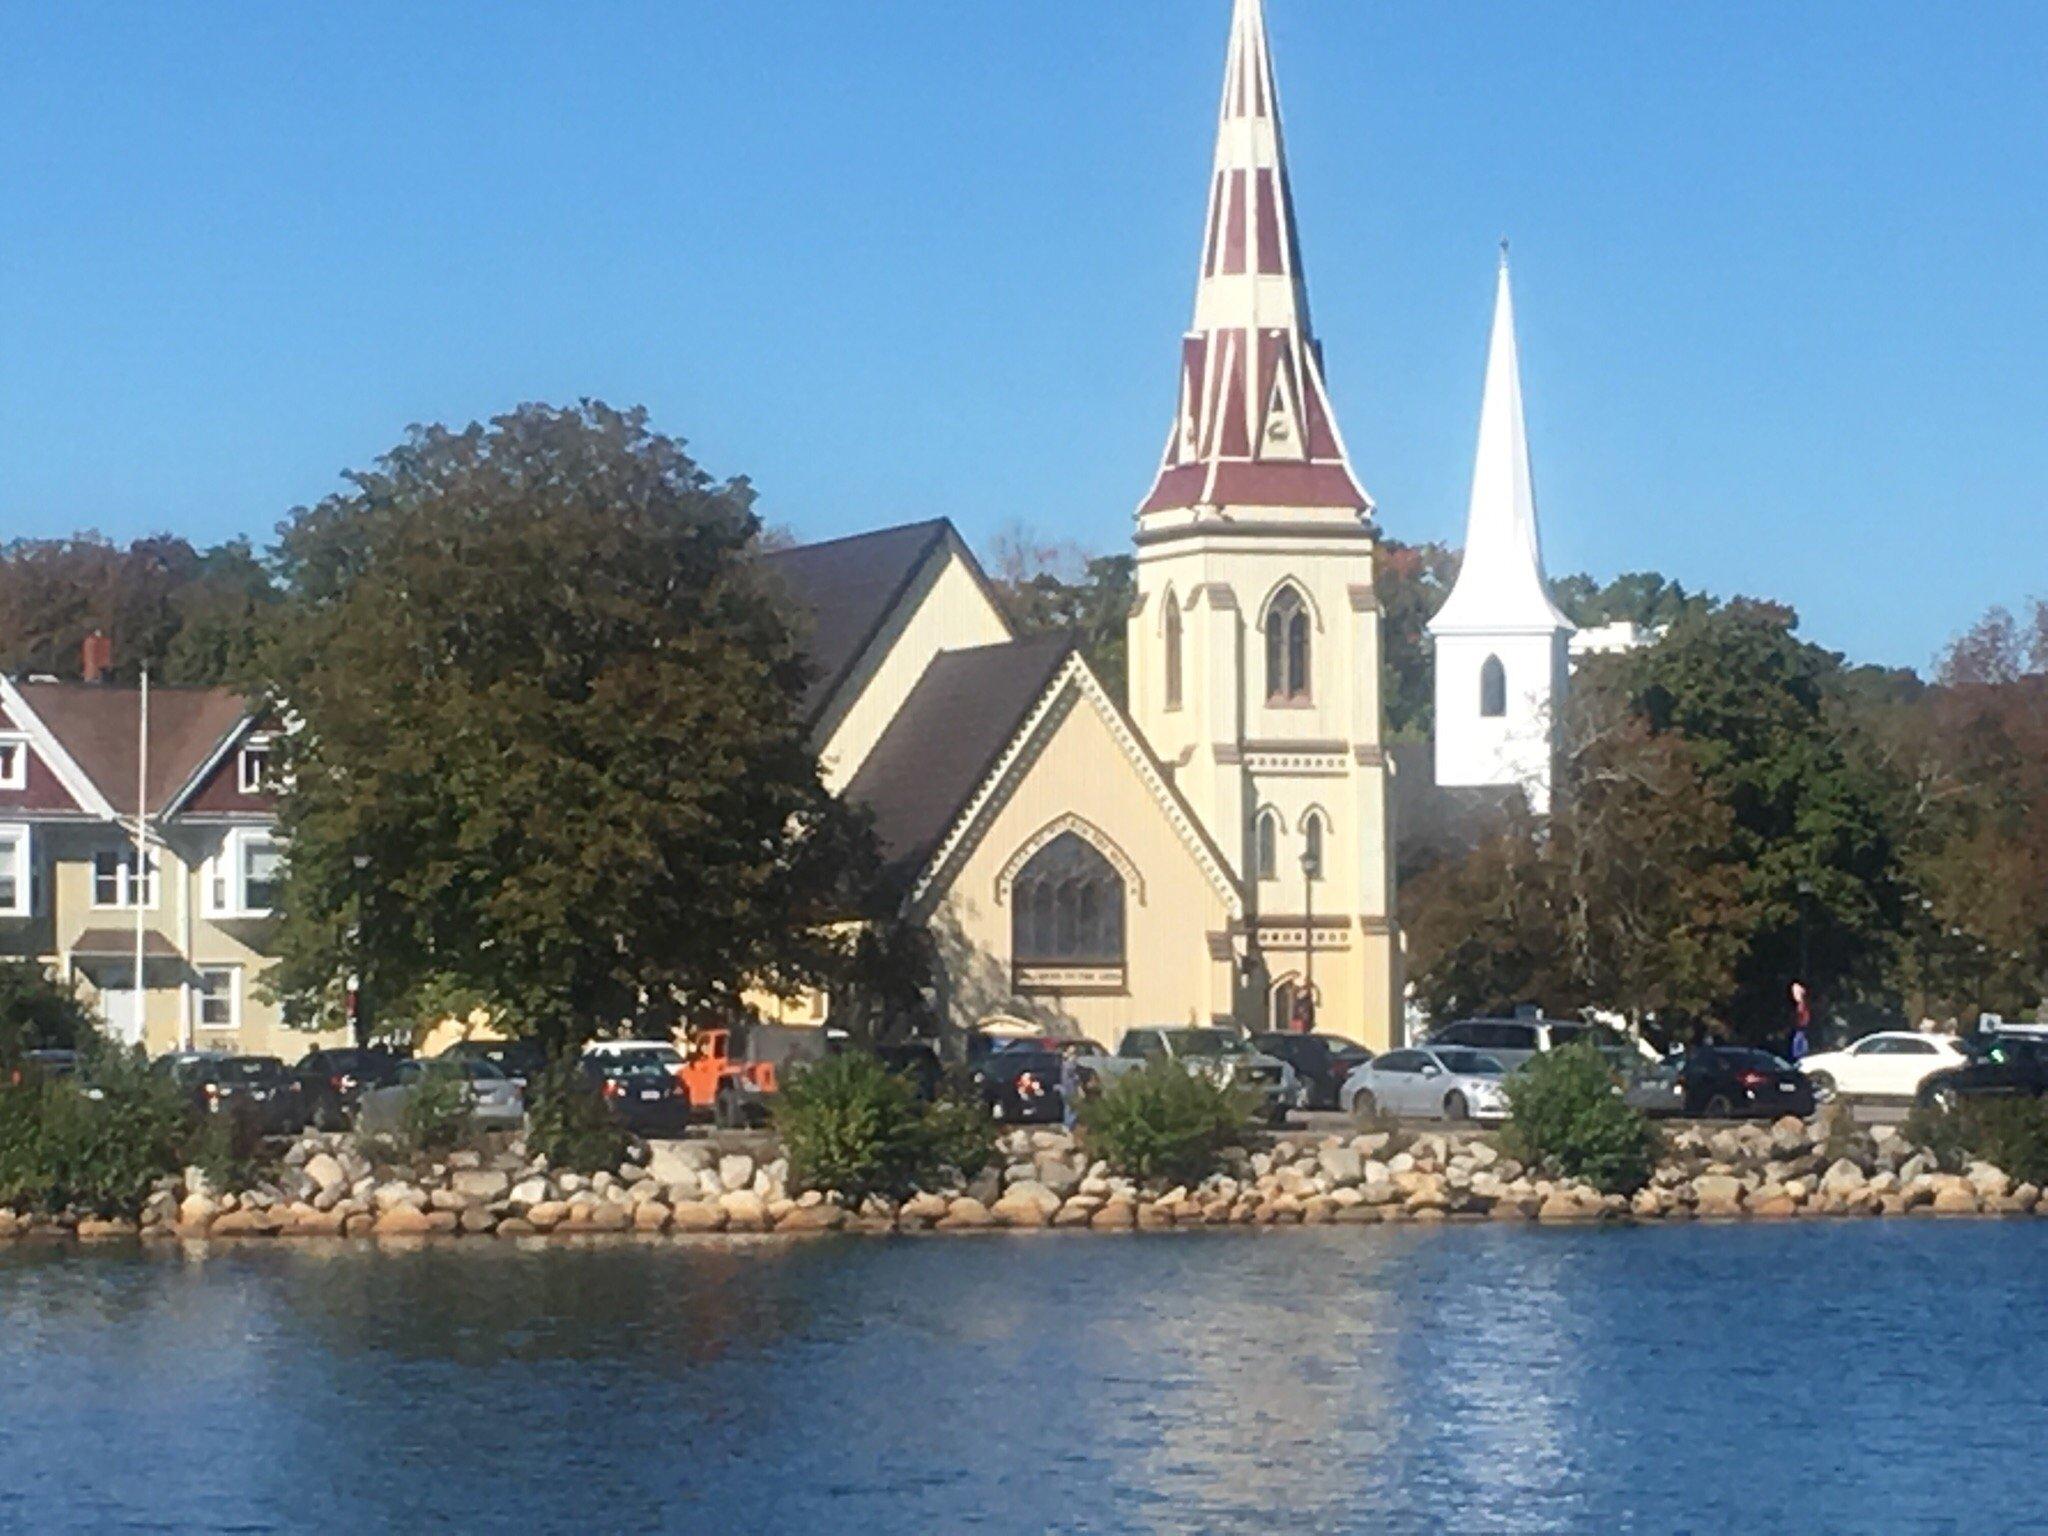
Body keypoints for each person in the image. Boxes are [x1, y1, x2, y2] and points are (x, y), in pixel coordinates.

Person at [1058, 1045, 1083, 1134]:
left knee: (1068, 1108)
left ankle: (1067, 1126)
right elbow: (1074, 1077)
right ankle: (1068, 1126)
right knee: (1072, 1108)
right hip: (1070, 1089)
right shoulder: (1071, 1065)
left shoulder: (1063, 1064)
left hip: (1065, 1089)